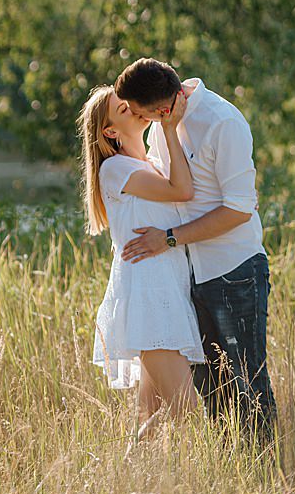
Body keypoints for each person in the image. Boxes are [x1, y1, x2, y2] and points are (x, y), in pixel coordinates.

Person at [114, 58, 277, 438]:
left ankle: (267, 472)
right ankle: (228, 473)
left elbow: (238, 209)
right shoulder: (163, 127)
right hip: (187, 275)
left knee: (248, 381)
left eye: (141, 114)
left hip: (234, 270)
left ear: (162, 108)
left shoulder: (224, 122)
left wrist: (168, 237)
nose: (139, 120)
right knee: (211, 389)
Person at [80, 85, 205, 438]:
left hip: (167, 290)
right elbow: (181, 191)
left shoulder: (147, 164)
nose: (136, 108)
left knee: (151, 418)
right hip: (150, 298)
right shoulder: (117, 169)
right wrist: (169, 126)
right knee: (187, 413)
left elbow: (184, 202)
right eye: (124, 110)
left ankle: (137, 487)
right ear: (110, 132)